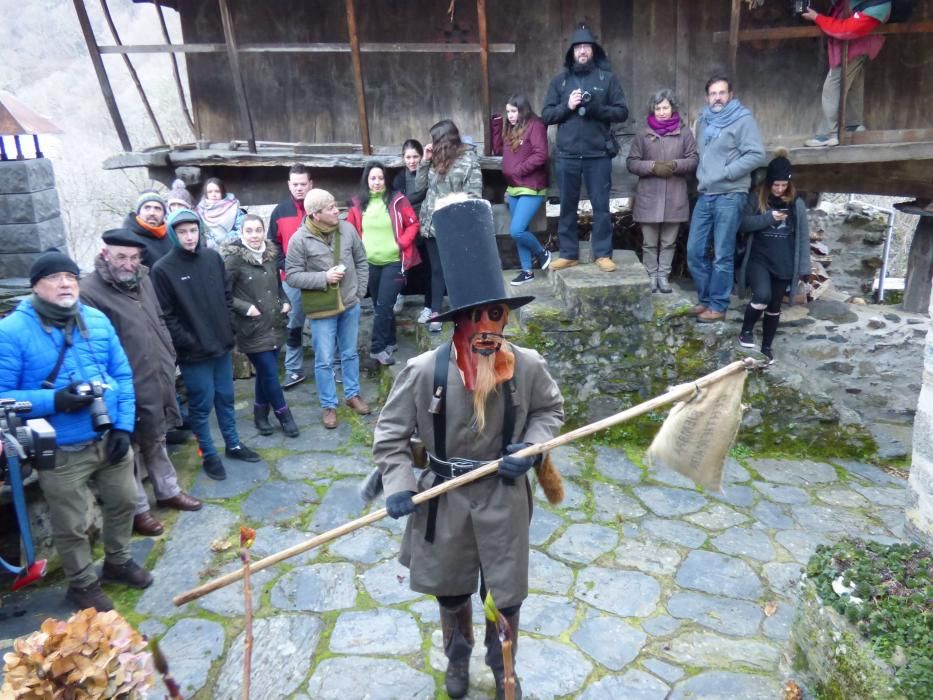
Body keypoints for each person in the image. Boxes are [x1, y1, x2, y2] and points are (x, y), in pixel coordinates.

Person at [374, 197, 564, 700]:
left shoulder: (527, 366)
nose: (486, 329)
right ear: (457, 323)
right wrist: (398, 485)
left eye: (495, 316)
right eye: (475, 318)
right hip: (443, 500)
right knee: (452, 590)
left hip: (504, 497)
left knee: (507, 595)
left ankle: (503, 666)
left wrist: (534, 445)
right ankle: (456, 657)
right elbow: (390, 438)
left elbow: (551, 413)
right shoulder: (421, 373)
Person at [0, 249, 152, 611]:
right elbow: (3, 395)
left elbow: (122, 375)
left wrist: (123, 427)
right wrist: (55, 401)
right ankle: (82, 584)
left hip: (107, 434)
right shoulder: (12, 331)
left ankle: (117, 561)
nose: (66, 283)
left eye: (71, 276)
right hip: (60, 447)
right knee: (71, 524)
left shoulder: (96, 320)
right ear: (36, 286)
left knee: (125, 501)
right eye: (54, 278)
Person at [80, 229, 203, 538]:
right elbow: (94, 348)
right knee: (129, 448)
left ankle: (168, 490)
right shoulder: (90, 292)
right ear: (106, 254)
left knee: (157, 437)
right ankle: (138, 510)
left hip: (157, 373)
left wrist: (168, 351)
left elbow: (158, 317)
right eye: (121, 256)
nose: (128, 263)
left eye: (134, 257)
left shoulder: (144, 278)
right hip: (124, 383)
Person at [151, 209, 261, 480]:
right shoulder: (163, 269)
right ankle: (209, 453)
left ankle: (233, 444)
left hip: (221, 345)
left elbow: (226, 295)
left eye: (193, 230)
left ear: (200, 230)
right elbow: (167, 315)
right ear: (174, 234)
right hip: (194, 353)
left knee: (226, 397)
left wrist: (229, 328)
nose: (189, 237)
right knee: (201, 405)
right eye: (183, 232)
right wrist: (187, 342)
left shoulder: (212, 258)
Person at [542, 24, 629, 273]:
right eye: (578, 47)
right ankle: (569, 253)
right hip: (567, 155)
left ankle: (602, 253)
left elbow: (622, 111)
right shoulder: (560, 81)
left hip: (598, 155)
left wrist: (597, 109)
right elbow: (547, 115)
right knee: (567, 206)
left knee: (601, 206)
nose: (582, 52)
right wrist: (567, 106)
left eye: (586, 47)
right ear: (572, 52)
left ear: (593, 51)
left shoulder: (607, 79)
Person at [285, 189, 371, 429]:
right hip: (322, 310)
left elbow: (361, 260)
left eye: (336, 205)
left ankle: (352, 395)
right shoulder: (299, 240)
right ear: (315, 215)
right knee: (323, 360)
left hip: (350, 303)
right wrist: (323, 277)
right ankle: (329, 406)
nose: (337, 211)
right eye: (331, 208)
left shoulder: (347, 229)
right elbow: (292, 276)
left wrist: (359, 291)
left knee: (350, 352)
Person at [687, 75, 766, 323]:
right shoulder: (704, 120)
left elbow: (756, 155)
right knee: (694, 251)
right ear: (707, 97)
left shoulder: (743, 120)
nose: (717, 97)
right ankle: (706, 299)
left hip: (730, 195)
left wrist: (728, 173)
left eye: (722, 93)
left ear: (730, 95)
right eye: (713, 93)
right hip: (707, 194)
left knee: (722, 254)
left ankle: (718, 306)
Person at [222, 214, 299, 438]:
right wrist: (246, 308)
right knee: (270, 373)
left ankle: (260, 414)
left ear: (263, 232)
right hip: (251, 327)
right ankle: (284, 415)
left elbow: (278, 286)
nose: (254, 235)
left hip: (274, 324)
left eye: (258, 230)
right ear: (241, 233)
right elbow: (223, 292)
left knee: (266, 374)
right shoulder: (233, 260)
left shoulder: (270, 256)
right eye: (249, 231)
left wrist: (285, 301)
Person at [735, 152, 812, 363]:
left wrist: (805, 268)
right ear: (769, 183)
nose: (779, 189)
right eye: (775, 185)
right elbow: (743, 224)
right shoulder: (757, 198)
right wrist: (769, 218)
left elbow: (803, 237)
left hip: (784, 263)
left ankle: (767, 347)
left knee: (775, 306)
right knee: (762, 295)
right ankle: (746, 331)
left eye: (783, 185)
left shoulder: (797, 204)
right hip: (759, 258)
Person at [347, 162, 421, 366]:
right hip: (369, 263)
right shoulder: (357, 204)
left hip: (394, 262)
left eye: (380, 178)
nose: (377, 182)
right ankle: (390, 341)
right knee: (380, 303)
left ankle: (377, 348)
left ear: (385, 180)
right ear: (367, 180)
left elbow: (413, 223)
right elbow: (351, 232)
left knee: (384, 305)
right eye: (373, 178)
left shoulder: (398, 200)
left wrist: (401, 243)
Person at [626, 89, 698, 293]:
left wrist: (675, 165)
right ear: (652, 110)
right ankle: (651, 275)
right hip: (650, 197)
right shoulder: (643, 134)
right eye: (657, 108)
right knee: (649, 243)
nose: (662, 112)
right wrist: (652, 167)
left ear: (672, 108)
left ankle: (663, 277)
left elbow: (693, 160)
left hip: (675, 197)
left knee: (668, 242)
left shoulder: (684, 133)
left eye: (665, 107)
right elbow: (631, 163)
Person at [415, 119, 483, 332]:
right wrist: (425, 161)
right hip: (431, 224)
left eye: (434, 139)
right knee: (436, 269)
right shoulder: (435, 158)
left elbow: (474, 195)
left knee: (457, 269)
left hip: (454, 225)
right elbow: (420, 186)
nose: (431, 143)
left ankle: (462, 310)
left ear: (445, 140)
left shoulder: (469, 161)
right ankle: (435, 312)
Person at [802, 1, 891, 147]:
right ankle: (854, 126)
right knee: (854, 82)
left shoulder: (876, 9)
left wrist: (817, 17)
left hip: (855, 47)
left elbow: (845, 30)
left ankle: (831, 133)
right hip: (858, 46)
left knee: (832, 87)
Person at [494, 94, 551, 286]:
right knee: (522, 230)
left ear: (523, 110)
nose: (510, 115)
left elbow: (541, 155)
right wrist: (496, 126)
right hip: (514, 188)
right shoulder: (512, 128)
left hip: (531, 187)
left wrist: (519, 171)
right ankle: (527, 271)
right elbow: (498, 150)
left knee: (516, 231)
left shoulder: (535, 126)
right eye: (508, 111)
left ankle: (542, 253)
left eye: (514, 111)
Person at [268, 165, 313, 388]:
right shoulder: (280, 212)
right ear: (289, 185)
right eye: (295, 184)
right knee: (294, 324)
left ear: (310, 184)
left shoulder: (319, 209)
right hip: (291, 280)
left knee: (324, 322)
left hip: (318, 278)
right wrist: (286, 265)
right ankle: (294, 370)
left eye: (303, 184)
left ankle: (334, 366)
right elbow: (273, 244)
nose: (299, 188)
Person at [391, 139, 429, 319]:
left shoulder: (427, 174)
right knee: (403, 265)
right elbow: (397, 202)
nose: (412, 161)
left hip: (426, 225)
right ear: (403, 158)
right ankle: (399, 294)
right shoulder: (399, 178)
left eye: (415, 156)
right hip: (406, 228)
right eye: (408, 157)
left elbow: (425, 194)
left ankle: (429, 303)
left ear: (421, 157)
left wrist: (407, 200)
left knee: (428, 265)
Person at [123, 190, 172, 269]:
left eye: (157, 208)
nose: (152, 213)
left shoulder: (171, 236)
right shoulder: (127, 239)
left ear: (164, 214)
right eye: (147, 207)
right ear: (138, 212)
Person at [196, 177, 245, 249]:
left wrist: (226, 238)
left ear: (222, 192)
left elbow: (243, 229)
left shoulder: (233, 208)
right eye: (210, 192)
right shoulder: (200, 211)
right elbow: (198, 232)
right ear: (206, 194)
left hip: (231, 249)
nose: (214, 194)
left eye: (217, 191)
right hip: (208, 251)